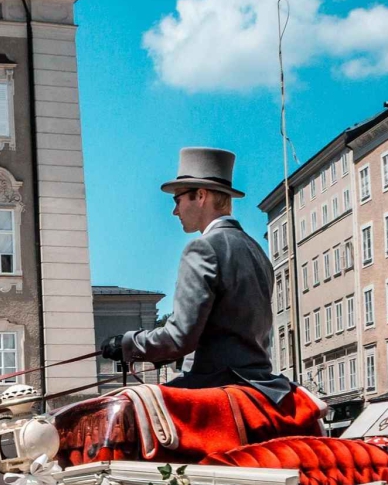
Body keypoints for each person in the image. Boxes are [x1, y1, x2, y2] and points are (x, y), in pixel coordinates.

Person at [98, 147, 294, 404]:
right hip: (261, 386)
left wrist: (126, 344)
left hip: (213, 385)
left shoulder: (203, 248)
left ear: (200, 196)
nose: (175, 211)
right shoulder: (257, 250)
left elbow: (180, 337)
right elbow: (222, 330)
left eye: (177, 200)